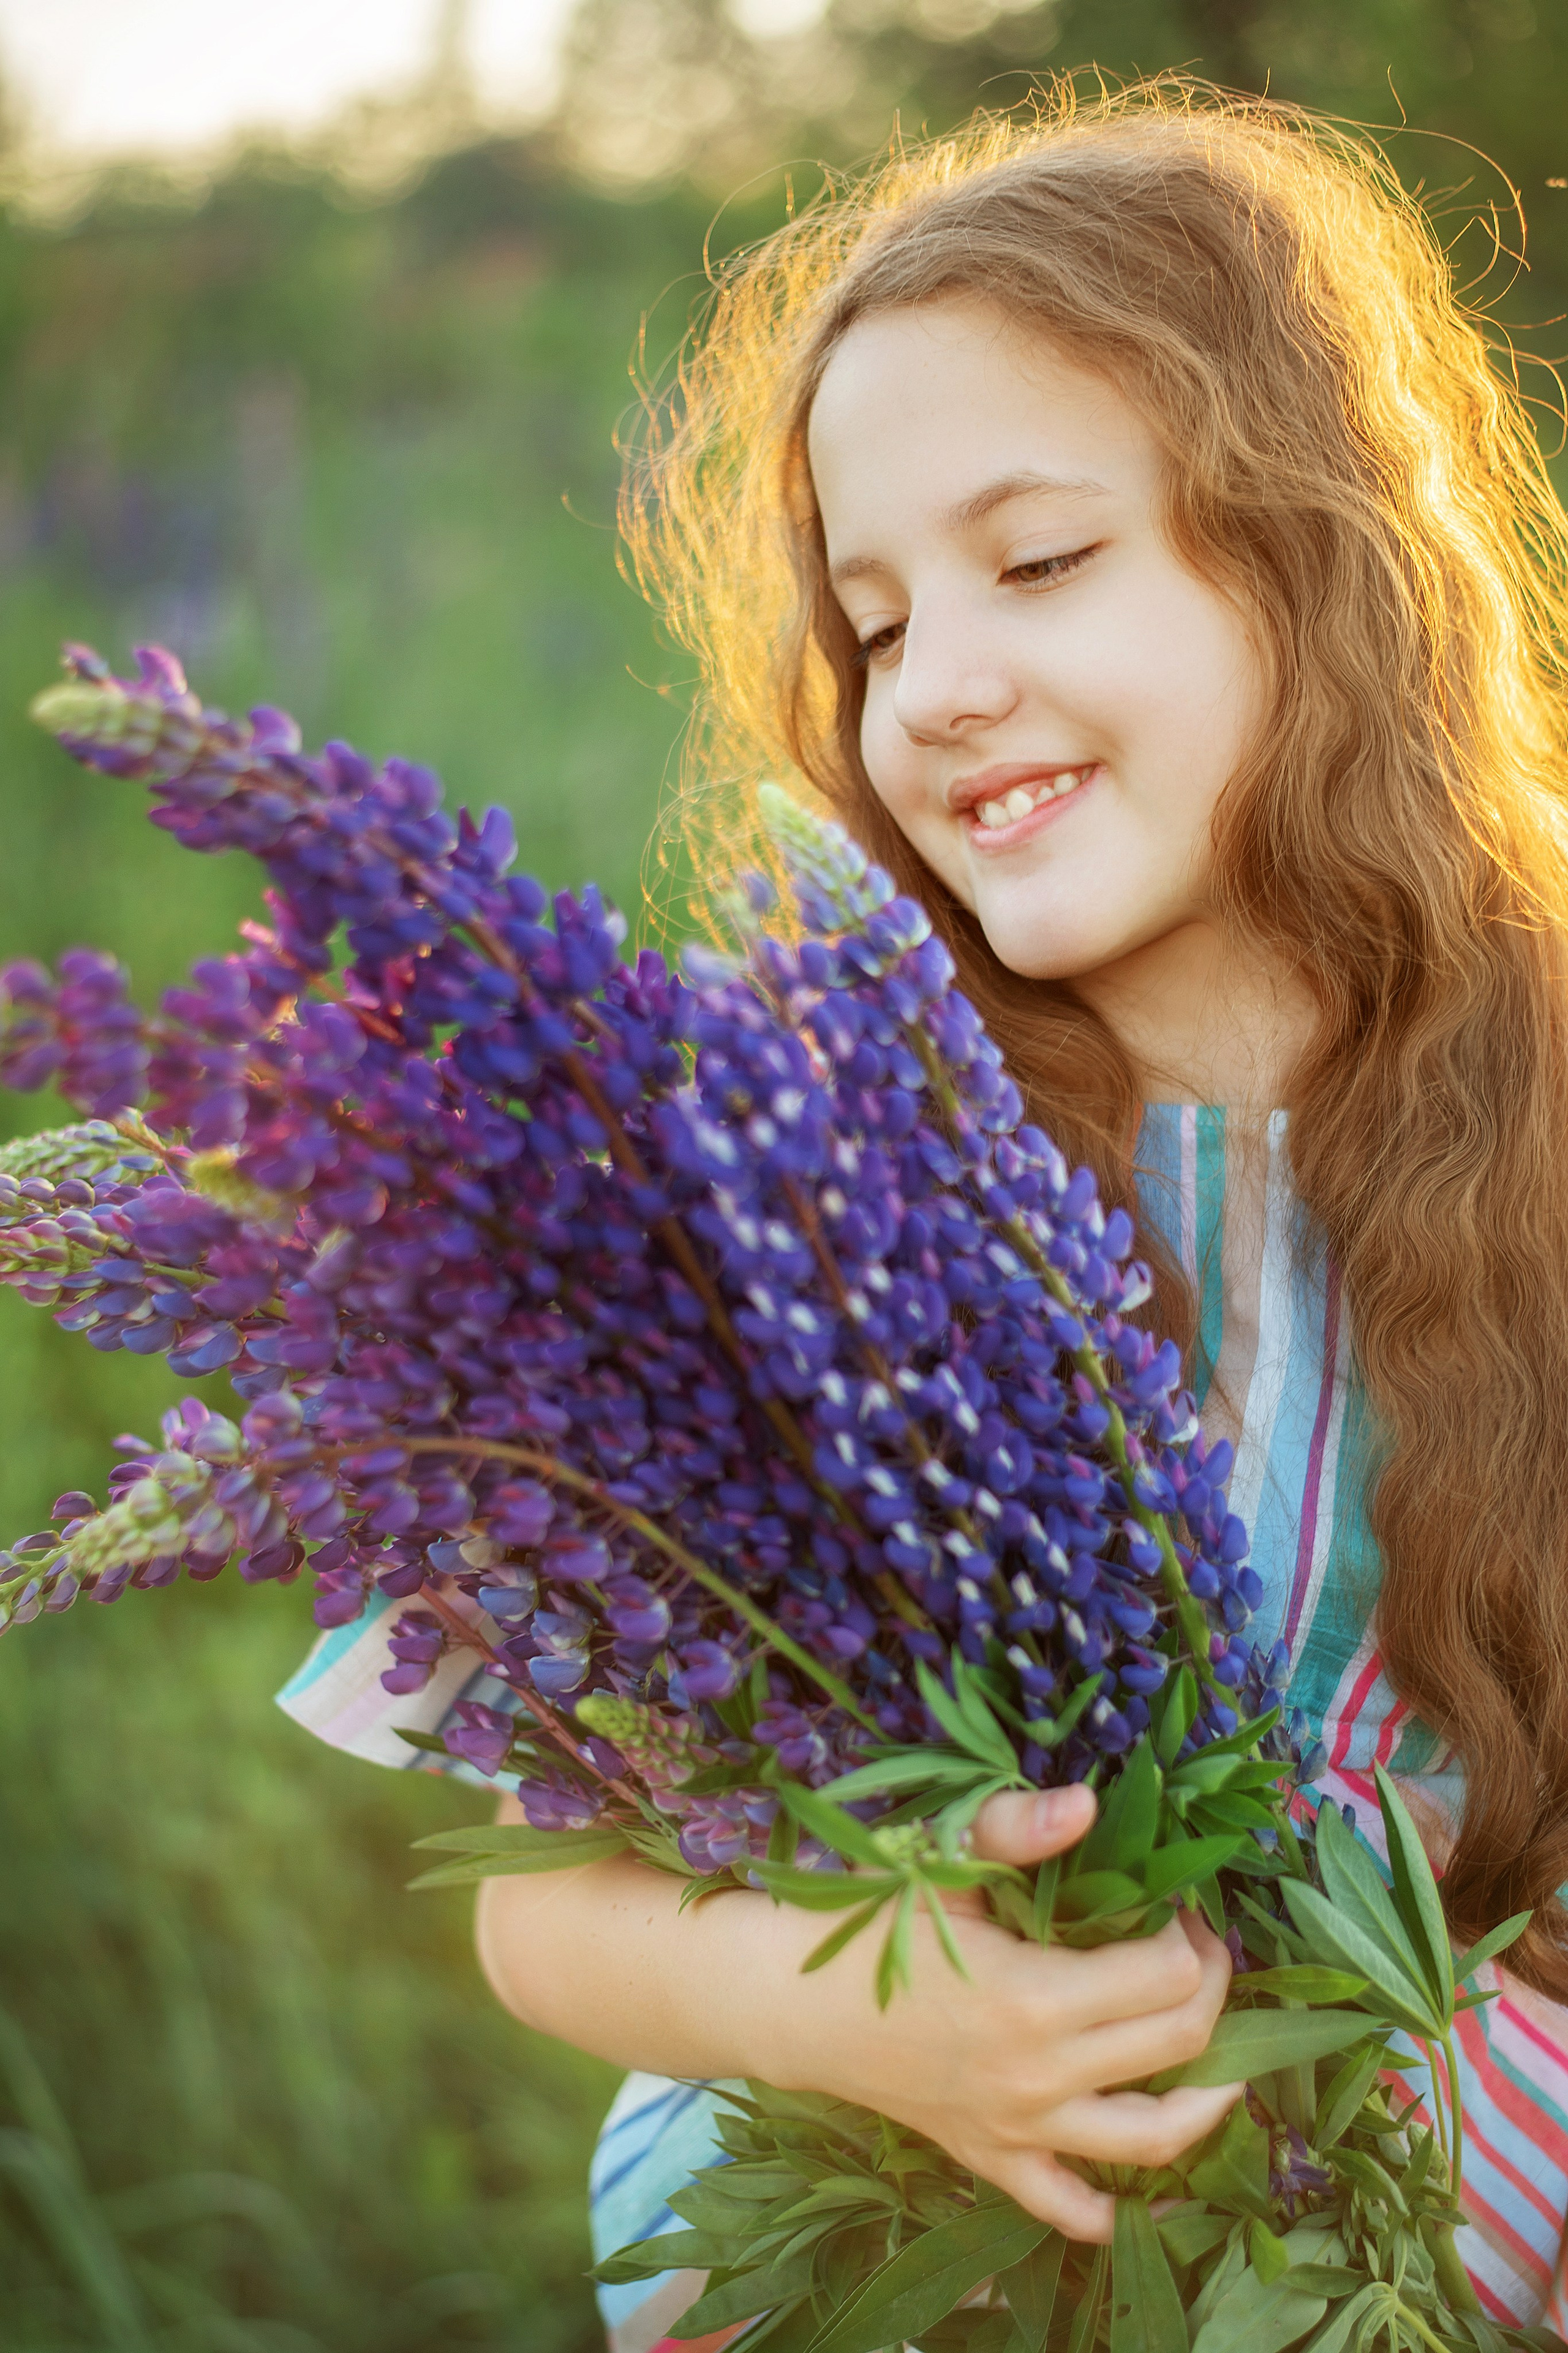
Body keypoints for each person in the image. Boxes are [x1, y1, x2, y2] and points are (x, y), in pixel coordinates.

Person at [279, 81, 1568, 2351]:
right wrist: (873, 2010)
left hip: (1420, 2227)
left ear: (1318, 553)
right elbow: (537, 1904)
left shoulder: (1538, 1115)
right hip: (877, 2220)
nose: (939, 687)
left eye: (1039, 561)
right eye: (873, 625)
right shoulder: (791, 1179)